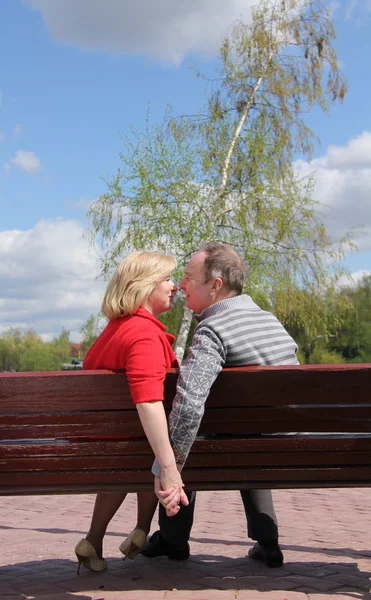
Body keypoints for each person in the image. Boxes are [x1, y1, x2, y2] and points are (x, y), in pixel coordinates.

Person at [142, 242, 299, 568]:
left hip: (240, 447)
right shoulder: (270, 321)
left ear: (215, 286)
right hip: (286, 446)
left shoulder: (213, 328)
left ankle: (172, 539)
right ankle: (267, 537)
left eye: (188, 278)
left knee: (189, 438)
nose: (181, 285)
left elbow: (188, 405)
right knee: (242, 432)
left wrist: (166, 467)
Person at [74, 250, 188, 573]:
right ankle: (141, 527)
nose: (174, 286)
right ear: (143, 286)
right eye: (166, 279)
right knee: (154, 450)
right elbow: (148, 401)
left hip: (102, 444)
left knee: (136, 447)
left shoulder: (115, 330)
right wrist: (169, 466)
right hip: (124, 447)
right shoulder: (144, 336)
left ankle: (96, 540)